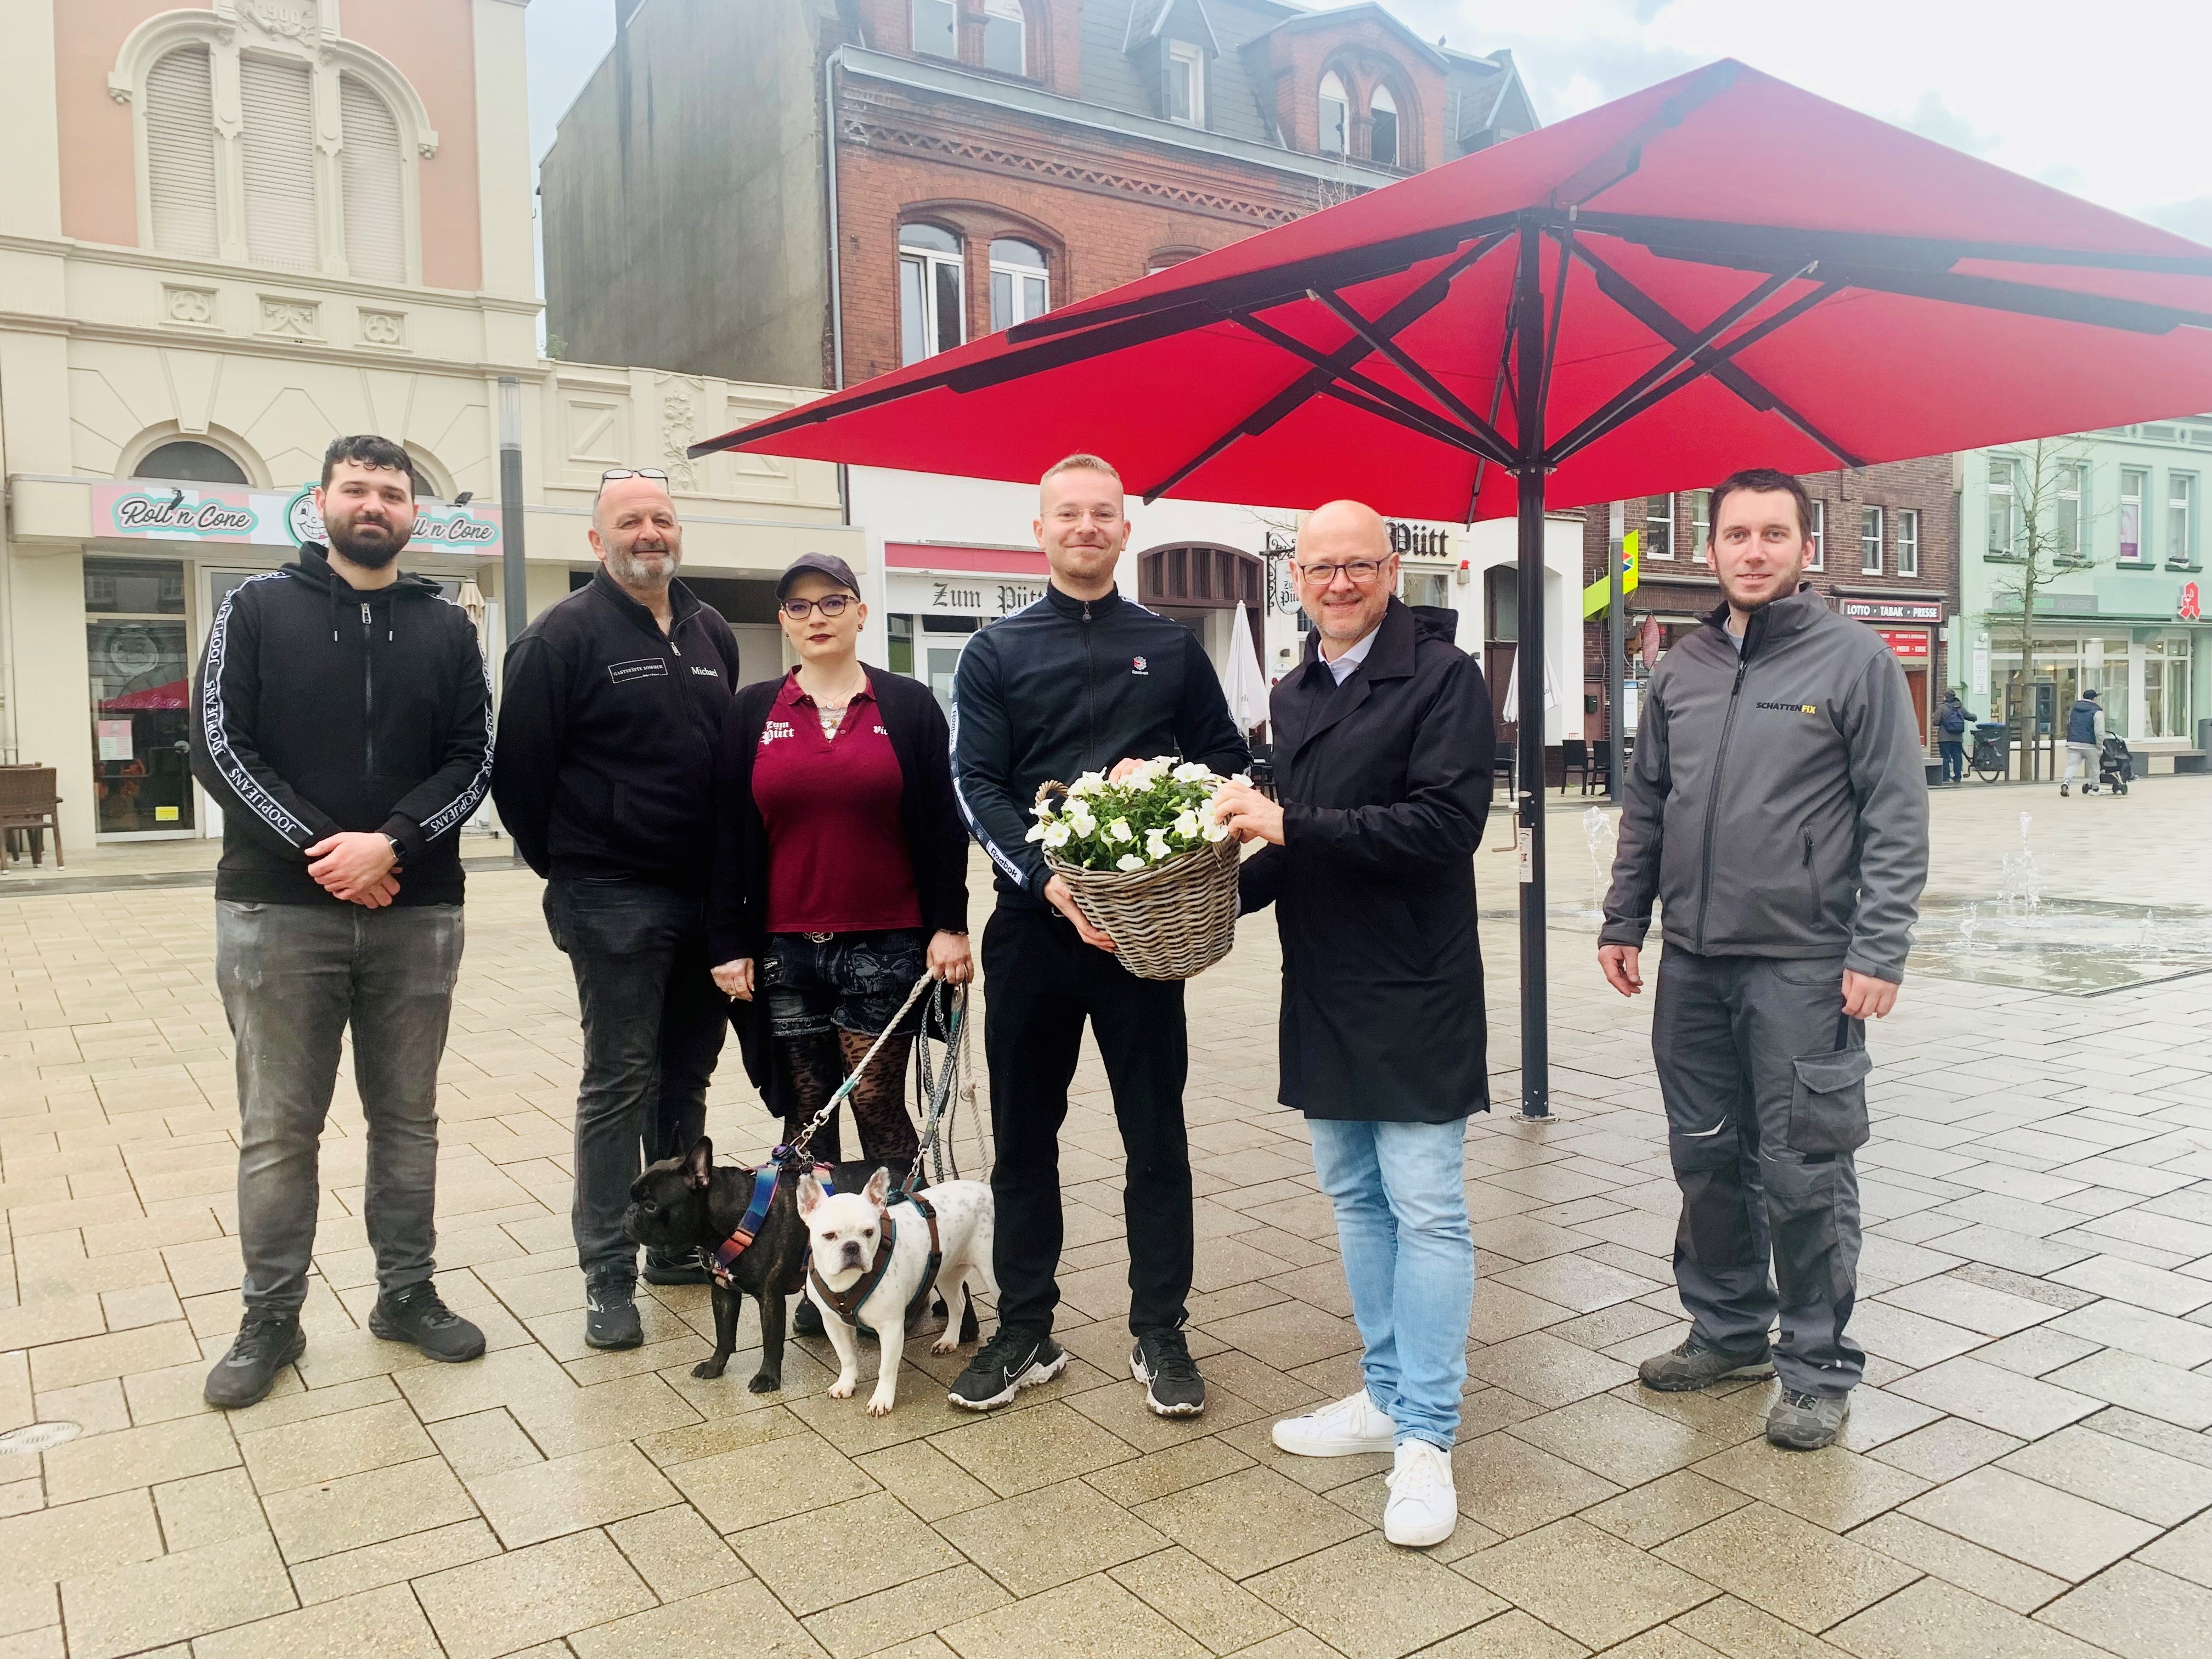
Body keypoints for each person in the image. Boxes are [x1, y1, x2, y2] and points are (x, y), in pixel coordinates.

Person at [1599, 466, 1928, 1452]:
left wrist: (1878, 947)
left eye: (1771, 534)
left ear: (1802, 545)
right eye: (1736, 534)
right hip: (1693, 962)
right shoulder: (1683, 666)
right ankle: (1729, 1329)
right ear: (1711, 549)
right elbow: (1647, 803)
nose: (1753, 550)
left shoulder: (1854, 661)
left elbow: (1895, 816)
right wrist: (1625, 920)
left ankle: (1818, 1364)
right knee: (1704, 1153)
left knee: (1802, 1167)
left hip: (1803, 964)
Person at [1212, 501, 1494, 1549]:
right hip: (1325, 981)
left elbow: (1443, 825)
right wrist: (1198, 899)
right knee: (1353, 1195)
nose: (1338, 582)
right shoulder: (1292, 689)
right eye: (1320, 565)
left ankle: (1426, 1432)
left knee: (1424, 1205)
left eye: (1357, 564)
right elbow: (1292, 849)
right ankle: (1382, 1392)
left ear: (1391, 568)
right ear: (1295, 574)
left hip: (1417, 980)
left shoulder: (1441, 676)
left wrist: (1289, 821)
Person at [190, 434, 493, 1407]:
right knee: (279, 1127)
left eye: (392, 492)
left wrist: (392, 845)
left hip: (416, 908)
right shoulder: (254, 606)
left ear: (415, 513)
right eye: (355, 489)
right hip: (277, 910)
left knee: (408, 1119)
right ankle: (270, 1315)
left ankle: (407, 1291)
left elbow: (476, 756)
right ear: (318, 502)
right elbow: (216, 745)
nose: (374, 504)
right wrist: (330, 849)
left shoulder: (448, 626)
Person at [946, 453, 1249, 1415]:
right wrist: (1043, 877)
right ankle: (1025, 1327)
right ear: (1038, 532)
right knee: (1025, 1139)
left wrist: (1166, 801)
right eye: (1066, 514)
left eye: (1102, 514)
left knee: (1154, 1135)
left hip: (1141, 941)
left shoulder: (1169, 649)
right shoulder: (994, 650)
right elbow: (975, 782)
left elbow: (1228, 765)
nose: (1084, 527)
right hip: (1032, 934)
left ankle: (1159, 1328)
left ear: (1126, 532)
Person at [492, 469, 741, 1349]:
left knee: (685, 1081)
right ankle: (606, 1270)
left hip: (702, 900)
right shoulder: (560, 637)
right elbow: (517, 777)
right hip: (612, 898)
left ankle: (673, 1242)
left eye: (663, 519)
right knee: (617, 1082)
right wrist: (577, 865)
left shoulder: (712, 633)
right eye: (630, 521)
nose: (650, 533)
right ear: (597, 542)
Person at [706, 551, 972, 1176]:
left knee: (878, 1108)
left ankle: (912, 1254)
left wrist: (950, 926)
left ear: (860, 612)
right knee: (805, 1115)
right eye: (800, 606)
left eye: (832, 602)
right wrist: (726, 941)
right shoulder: (751, 711)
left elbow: (941, 825)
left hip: (885, 946)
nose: (816, 617)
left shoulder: (906, 706)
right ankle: (814, 1263)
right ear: (784, 622)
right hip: (785, 952)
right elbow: (725, 835)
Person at [2060, 687, 2106, 797]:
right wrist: (2100, 745)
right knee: (2094, 767)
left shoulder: (2074, 710)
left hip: (2073, 742)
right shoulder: (2097, 712)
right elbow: (2099, 732)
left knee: (2072, 766)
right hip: (2090, 744)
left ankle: (2066, 782)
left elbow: (2069, 724)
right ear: (2094, 699)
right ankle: (2095, 789)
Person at [1937, 689, 1974, 785]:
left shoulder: (1942, 707)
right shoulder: (1960, 707)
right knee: (1957, 757)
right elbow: (1970, 716)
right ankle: (1958, 776)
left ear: (1946, 697)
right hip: (1957, 738)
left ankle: (1946, 777)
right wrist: (1974, 717)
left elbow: (1936, 722)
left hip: (1944, 738)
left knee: (1945, 757)